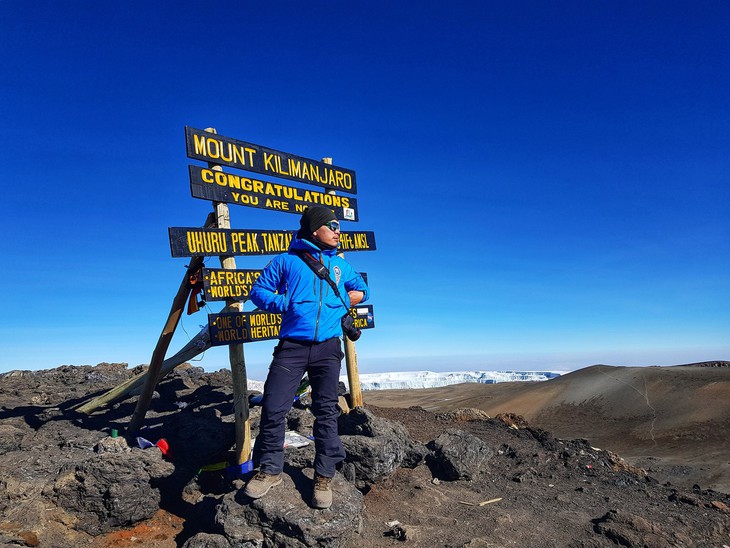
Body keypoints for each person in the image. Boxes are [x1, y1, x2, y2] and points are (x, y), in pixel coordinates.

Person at [243, 205, 369, 509]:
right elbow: (258, 292)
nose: (339, 231)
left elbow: (361, 290)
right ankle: (270, 469)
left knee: (326, 410)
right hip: (292, 346)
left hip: (327, 347)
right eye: (333, 226)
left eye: (339, 226)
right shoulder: (287, 261)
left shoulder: (340, 265)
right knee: (274, 406)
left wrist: (345, 302)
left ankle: (324, 475)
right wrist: (287, 303)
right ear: (315, 230)